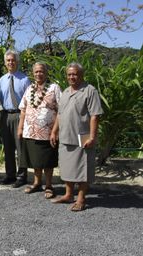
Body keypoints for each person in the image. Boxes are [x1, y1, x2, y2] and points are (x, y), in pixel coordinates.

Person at [50, 62, 103, 211]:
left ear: (81, 75)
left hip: (83, 136)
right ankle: (68, 194)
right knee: (67, 168)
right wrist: (54, 131)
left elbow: (94, 116)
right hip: (65, 135)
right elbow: (60, 115)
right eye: (69, 74)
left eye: (75, 74)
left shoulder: (90, 91)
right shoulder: (66, 92)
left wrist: (92, 137)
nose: (71, 77)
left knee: (82, 169)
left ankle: (81, 198)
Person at [17, 62, 61, 199]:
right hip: (30, 131)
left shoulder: (54, 88)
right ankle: (36, 183)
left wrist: (55, 131)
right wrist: (20, 127)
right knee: (35, 160)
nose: (38, 74)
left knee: (47, 161)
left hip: (47, 133)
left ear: (46, 72)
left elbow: (61, 110)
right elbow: (23, 109)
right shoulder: (29, 88)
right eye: (36, 72)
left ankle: (48, 185)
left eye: (41, 71)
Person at [0, 49, 31, 187]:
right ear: (5, 63)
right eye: (8, 60)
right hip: (6, 115)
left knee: (20, 147)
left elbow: (29, 100)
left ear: (17, 62)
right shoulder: (1, 80)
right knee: (8, 147)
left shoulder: (24, 79)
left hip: (20, 114)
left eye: (13, 60)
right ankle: (10, 175)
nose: (11, 62)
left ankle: (22, 176)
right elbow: (0, 99)